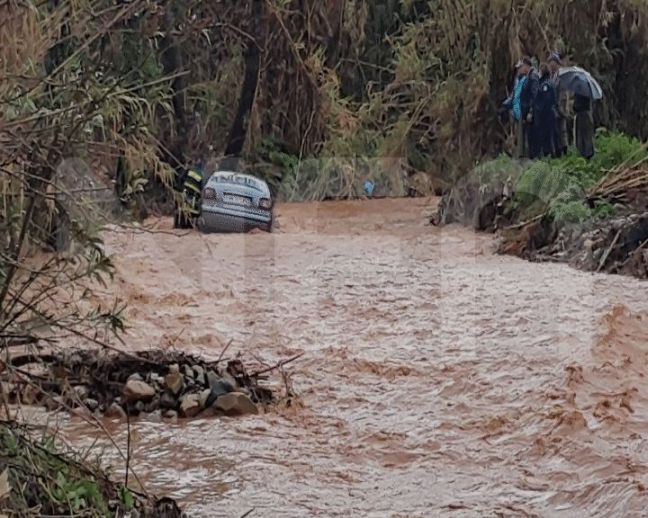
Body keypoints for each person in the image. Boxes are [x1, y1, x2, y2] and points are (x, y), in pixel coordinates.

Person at [502, 57, 538, 158]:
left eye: (520, 67)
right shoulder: (520, 79)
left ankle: (527, 156)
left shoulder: (532, 76)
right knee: (520, 136)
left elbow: (533, 96)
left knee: (526, 137)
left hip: (526, 111)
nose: (519, 70)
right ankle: (521, 154)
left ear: (526, 66)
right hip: (519, 111)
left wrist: (530, 111)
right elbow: (515, 95)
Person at [530, 63, 557, 159]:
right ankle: (549, 154)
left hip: (546, 114)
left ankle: (549, 155)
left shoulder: (545, 85)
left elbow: (546, 100)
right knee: (549, 136)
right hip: (550, 113)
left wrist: (539, 110)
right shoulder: (550, 82)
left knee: (547, 137)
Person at [548, 52, 568, 156]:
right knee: (555, 131)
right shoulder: (550, 77)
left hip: (560, 107)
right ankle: (557, 151)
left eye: (552, 62)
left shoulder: (560, 76)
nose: (551, 65)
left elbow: (562, 93)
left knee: (562, 131)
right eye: (550, 62)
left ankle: (564, 151)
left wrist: (560, 108)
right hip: (552, 108)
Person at [174, 161, 205, 229]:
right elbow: (202, 187)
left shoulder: (190, 171)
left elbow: (182, 179)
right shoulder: (201, 175)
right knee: (191, 210)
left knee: (183, 208)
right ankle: (188, 224)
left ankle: (180, 225)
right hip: (193, 194)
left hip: (185, 191)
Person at [574, 89, 595, 159]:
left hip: (583, 114)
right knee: (585, 135)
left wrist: (574, 106)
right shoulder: (587, 91)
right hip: (586, 114)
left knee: (584, 136)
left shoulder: (581, 92)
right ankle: (586, 153)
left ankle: (586, 153)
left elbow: (577, 105)